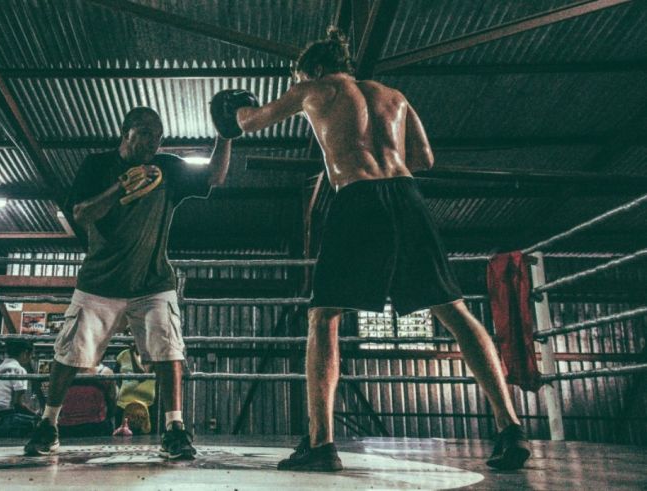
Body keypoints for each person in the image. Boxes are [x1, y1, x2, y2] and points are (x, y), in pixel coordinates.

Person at [212, 28, 530, 471]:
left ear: (314, 68)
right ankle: (510, 427)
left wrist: (234, 106)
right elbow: (425, 159)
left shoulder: (313, 87)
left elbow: (249, 122)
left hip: (358, 198)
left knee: (325, 316)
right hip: (407, 196)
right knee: (454, 309)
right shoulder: (393, 96)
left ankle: (321, 445)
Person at [24, 107, 232, 460]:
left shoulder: (167, 169)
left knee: (169, 349)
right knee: (69, 351)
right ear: (126, 132)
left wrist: (225, 134)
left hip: (152, 282)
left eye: (159, 135)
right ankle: (48, 424)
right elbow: (81, 213)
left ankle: (175, 428)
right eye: (147, 133)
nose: (155, 141)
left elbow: (214, 175)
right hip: (100, 280)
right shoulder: (97, 165)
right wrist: (120, 187)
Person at [0, 341, 38, 437]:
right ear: (25, 353)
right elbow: (18, 404)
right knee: (42, 424)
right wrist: (37, 415)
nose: (30, 358)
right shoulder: (19, 370)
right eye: (31, 355)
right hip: (6, 419)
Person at [58, 362, 117, 437]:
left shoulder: (105, 372)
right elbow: (112, 405)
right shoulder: (61, 372)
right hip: (71, 427)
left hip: (95, 426)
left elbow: (112, 405)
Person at [115, 344, 155, 434]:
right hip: (123, 404)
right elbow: (116, 377)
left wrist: (132, 352)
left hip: (145, 405)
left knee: (145, 440)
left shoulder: (151, 355)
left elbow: (142, 376)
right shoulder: (123, 355)